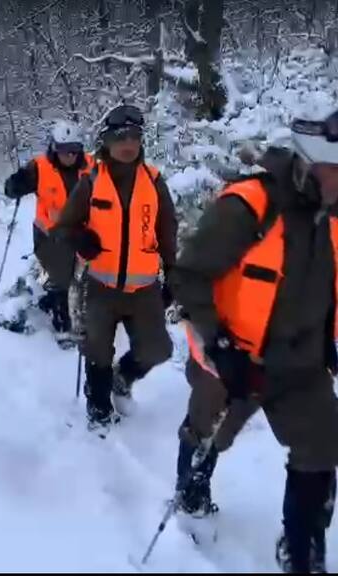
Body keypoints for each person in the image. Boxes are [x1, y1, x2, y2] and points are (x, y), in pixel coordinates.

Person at [169, 109, 338, 573]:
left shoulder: (332, 215)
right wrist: (221, 348)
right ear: (315, 164)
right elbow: (187, 276)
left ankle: (302, 549)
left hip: (301, 361)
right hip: (233, 354)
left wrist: (328, 339)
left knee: (322, 448)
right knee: (206, 433)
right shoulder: (250, 205)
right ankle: (192, 492)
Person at [51, 104, 177, 429]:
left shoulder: (154, 181)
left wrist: (174, 274)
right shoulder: (92, 181)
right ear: (106, 141)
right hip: (100, 288)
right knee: (97, 353)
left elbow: (168, 231)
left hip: (144, 289)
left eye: (135, 136)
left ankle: (124, 377)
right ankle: (99, 413)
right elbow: (63, 228)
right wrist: (80, 238)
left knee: (158, 349)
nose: (128, 143)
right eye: (120, 137)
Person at [4, 120, 94, 337]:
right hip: (51, 236)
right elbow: (11, 188)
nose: (69, 156)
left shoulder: (93, 166)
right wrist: (15, 184)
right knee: (61, 278)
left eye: (74, 150)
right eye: (64, 150)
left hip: (86, 232)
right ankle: (62, 326)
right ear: (54, 147)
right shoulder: (40, 167)